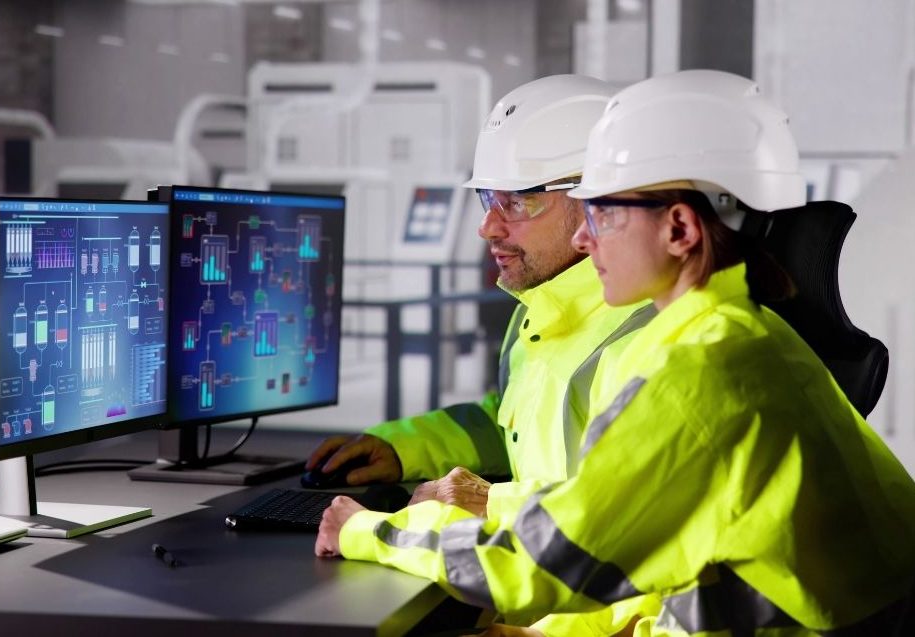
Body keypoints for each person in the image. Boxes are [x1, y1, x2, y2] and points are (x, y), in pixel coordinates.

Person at [315, 69, 915, 635]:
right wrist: (483, 498)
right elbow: (614, 507)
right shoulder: (742, 335)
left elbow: (544, 568)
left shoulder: (693, 370)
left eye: (601, 212)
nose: (583, 234)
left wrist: (367, 530)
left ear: (679, 229)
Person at [308, 74, 657, 635]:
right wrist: (403, 449)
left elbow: (632, 561)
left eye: (518, 200)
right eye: (486, 198)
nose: (487, 226)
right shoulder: (539, 314)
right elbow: (518, 428)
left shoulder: (652, 339)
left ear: (599, 201)